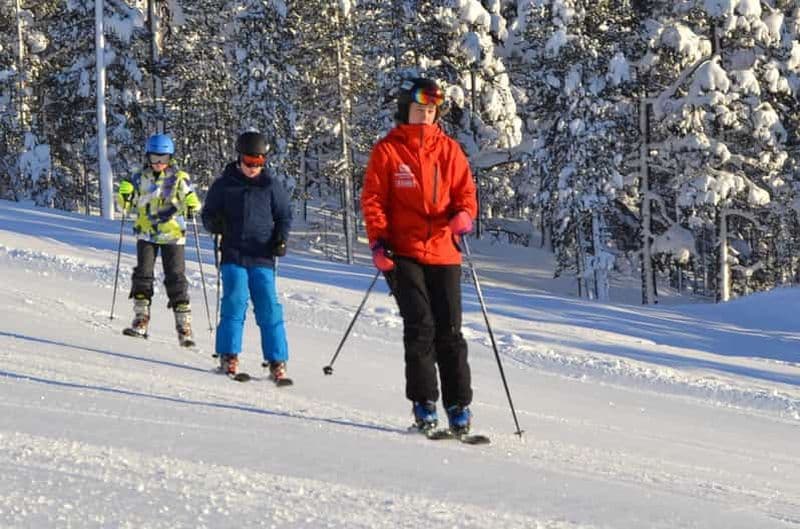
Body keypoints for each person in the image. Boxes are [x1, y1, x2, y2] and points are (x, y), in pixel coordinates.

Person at [360, 77, 478, 434]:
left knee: (451, 332)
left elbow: (465, 193)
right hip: (403, 252)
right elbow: (374, 200)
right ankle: (424, 403)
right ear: (404, 111)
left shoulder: (450, 150)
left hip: (444, 251)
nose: (425, 117)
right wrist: (379, 243)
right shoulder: (388, 151)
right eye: (418, 110)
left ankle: (458, 406)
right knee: (421, 326)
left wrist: (464, 215)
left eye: (430, 111)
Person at [200, 131, 292, 382]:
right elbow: (207, 214)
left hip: (262, 254)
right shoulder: (224, 184)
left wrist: (281, 239)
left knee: (269, 306)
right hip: (234, 253)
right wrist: (214, 223)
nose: (254, 168)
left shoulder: (271, 186)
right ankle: (228, 355)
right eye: (250, 163)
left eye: (259, 163)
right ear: (239, 158)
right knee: (235, 300)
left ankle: (276, 360)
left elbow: (284, 215)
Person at [117, 133, 201, 346]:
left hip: (172, 234)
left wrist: (191, 203)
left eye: (163, 159)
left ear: (170, 158)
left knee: (175, 277)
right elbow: (125, 207)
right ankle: (141, 320)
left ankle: (184, 326)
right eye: (154, 158)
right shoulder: (138, 178)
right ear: (147, 157)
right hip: (146, 233)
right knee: (143, 275)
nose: (158, 164)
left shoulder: (180, 178)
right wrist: (124, 195)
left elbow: (193, 200)